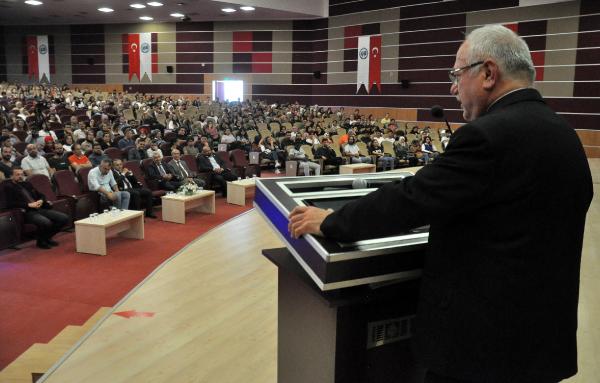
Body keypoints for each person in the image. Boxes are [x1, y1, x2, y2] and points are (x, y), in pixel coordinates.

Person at [287, 25, 592, 383]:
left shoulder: (487, 136)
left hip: (481, 352)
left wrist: (331, 220)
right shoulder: (565, 135)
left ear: (489, 73)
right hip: (541, 344)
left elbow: (410, 199)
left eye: (457, 74)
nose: (452, 87)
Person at [3, 167, 70, 249]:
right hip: (26, 212)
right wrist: (28, 205)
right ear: (11, 176)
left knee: (64, 218)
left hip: (39, 208)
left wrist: (41, 201)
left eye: (22, 174)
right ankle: (41, 241)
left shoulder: (27, 184)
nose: (20, 176)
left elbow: (41, 195)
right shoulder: (7, 187)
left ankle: (46, 238)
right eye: (17, 175)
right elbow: (9, 204)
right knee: (46, 222)